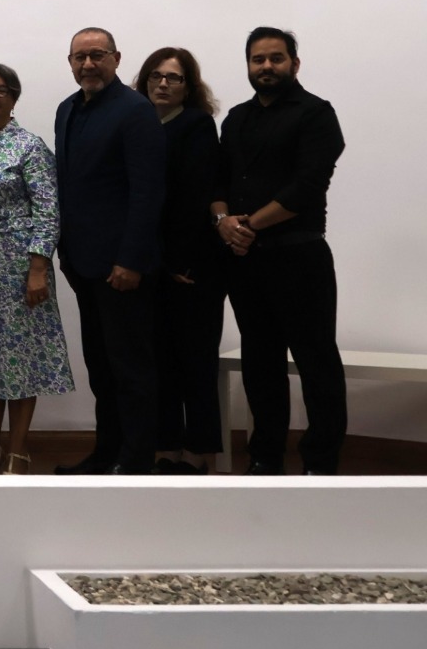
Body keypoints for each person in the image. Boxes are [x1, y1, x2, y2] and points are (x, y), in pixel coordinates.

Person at [214, 27, 346, 475]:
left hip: (299, 257)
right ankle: (265, 458)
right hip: (247, 262)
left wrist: (247, 225)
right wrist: (223, 222)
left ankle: (320, 464)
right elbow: (218, 182)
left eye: (276, 58)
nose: (266, 67)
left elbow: (307, 187)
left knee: (316, 362)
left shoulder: (316, 114)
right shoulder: (235, 118)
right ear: (248, 65)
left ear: (295, 63)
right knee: (260, 363)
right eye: (257, 59)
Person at [53, 27, 166, 475]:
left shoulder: (136, 111)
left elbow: (147, 192)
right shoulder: (67, 110)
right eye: (79, 57)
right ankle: (106, 454)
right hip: (83, 264)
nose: (88, 64)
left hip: (123, 267)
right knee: (100, 367)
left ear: (116, 58)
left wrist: (131, 260)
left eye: (97, 55)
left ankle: (136, 462)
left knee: (131, 369)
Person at [0, 64, 73, 477]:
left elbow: (48, 210)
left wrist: (38, 268)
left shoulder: (29, 146)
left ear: (14, 98)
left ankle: (18, 449)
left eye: (1, 89)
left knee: (19, 360)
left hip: (19, 269)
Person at [135, 46, 224, 475]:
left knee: (195, 361)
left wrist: (180, 262)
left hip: (191, 266)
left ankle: (197, 449)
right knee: (160, 363)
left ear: (189, 86)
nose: (164, 84)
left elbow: (194, 197)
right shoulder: (137, 125)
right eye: (156, 76)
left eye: (174, 78)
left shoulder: (196, 125)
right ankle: (166, 444)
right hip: (150, 265)